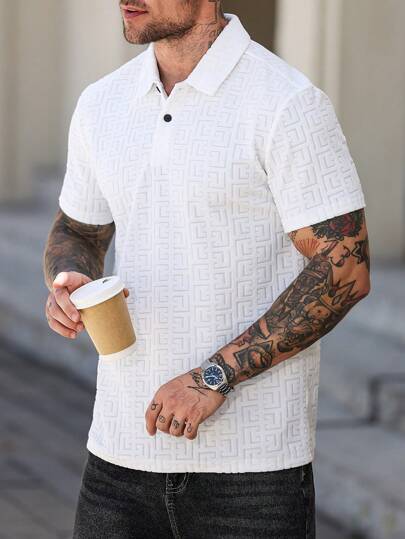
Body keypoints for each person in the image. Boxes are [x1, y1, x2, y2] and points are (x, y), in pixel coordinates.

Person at [43, 1, 371, 537]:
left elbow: (345, 268)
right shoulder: (102, 102)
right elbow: (79, 230)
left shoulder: (286, 102)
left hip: (253, 477)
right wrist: (68, 278)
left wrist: (214, 376)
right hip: (118, 457)